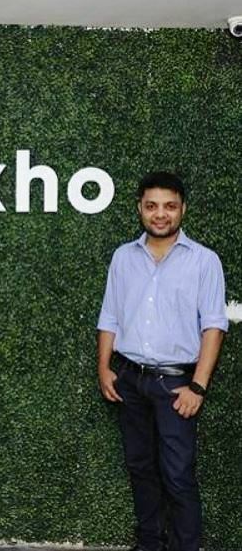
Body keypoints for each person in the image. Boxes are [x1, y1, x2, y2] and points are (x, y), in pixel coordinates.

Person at [96, 172, 228, 551]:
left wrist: (197, 386)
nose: (160, 214)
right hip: (128, 380)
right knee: (140, 468)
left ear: (182, 209)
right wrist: (104, 368)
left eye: (170, 206)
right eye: (151, 206)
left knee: (177, 474)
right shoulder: (123, 257)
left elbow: (214, 326)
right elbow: (110, 316)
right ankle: (150, 543)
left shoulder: (204, 261)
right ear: (139, 208)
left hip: (176, 385)